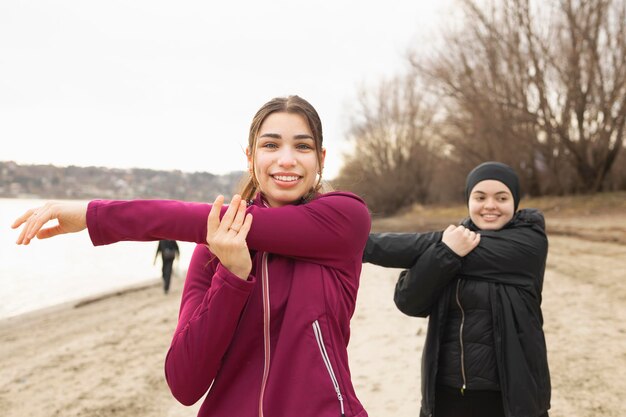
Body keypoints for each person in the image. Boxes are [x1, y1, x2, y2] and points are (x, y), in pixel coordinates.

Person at [12, 95, 371, 417]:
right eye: (271, 145)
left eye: (303, 146)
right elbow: (184, 385)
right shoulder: (212, 247)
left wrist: (93, 215)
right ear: (250, 158)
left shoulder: (344, 219)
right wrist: (232, 279)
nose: (287, 159)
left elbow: (196, 218)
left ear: (321, 158)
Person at [363, 162, 550, 417]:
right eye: (480, 197)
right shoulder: (451, 244)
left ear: (515, 202)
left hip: (509, 398)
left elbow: (418, 245)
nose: (490, 205)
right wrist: (445, 252)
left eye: (502, 197)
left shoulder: (528, 243)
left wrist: (355, 245)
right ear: (468, 200)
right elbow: (409, 301)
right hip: (446, 394)